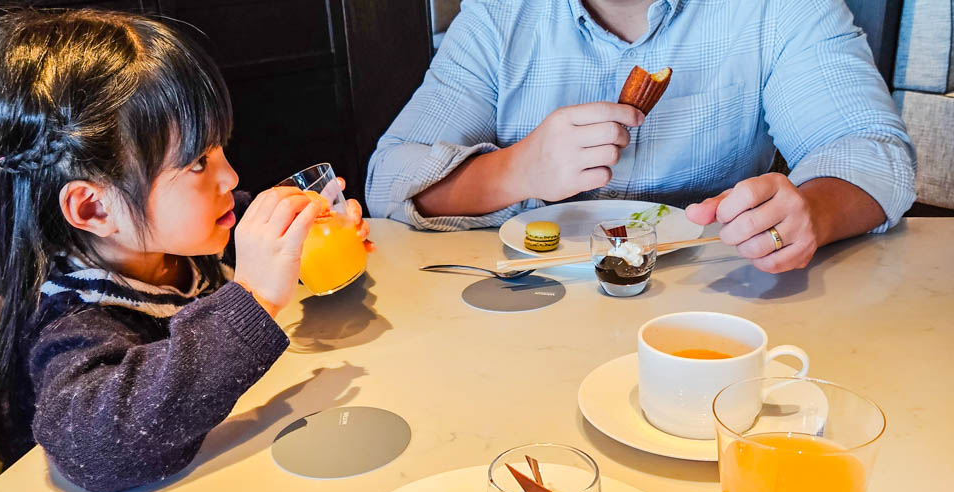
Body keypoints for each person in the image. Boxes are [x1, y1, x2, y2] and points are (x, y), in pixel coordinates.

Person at [0, 7, 367, 492]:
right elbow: (94, 449)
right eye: (198, 162)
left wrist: (304, 240)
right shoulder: (73, 320)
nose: (231, 177)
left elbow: (263, 238)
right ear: (94, 209)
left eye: (220, 149)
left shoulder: (190, 233)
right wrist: (253, 298)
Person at [366, 0, 916, 273]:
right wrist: (515, 169)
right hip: (524, 296)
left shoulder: (778, 9)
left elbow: (875, 154)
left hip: (714, 296)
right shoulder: (498, 16)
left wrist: (812, 212)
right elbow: (389, 178)